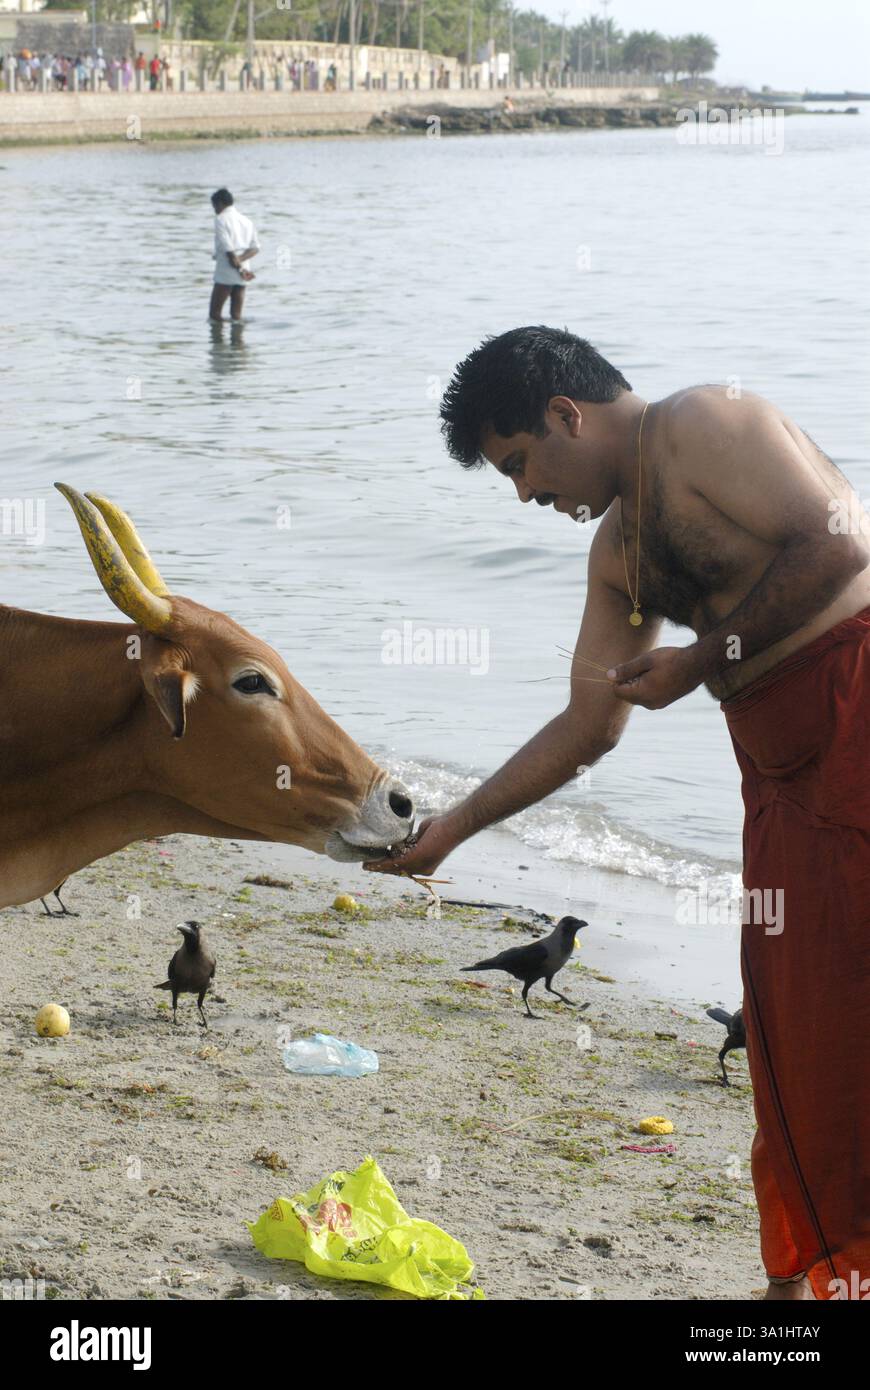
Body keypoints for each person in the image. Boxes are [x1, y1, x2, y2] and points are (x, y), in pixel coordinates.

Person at [367, 325, 870, 1302]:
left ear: (567, 415)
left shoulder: (706, 422)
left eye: (520, 464)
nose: (524, 494)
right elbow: (588, 725)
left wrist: (701, 661)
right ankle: (806, 1283)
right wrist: (456, 828)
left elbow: (842, 541)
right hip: (776, 785)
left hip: (858, 723)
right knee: (791, 1045)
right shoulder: (620, 551)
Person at [208, 188, 260, 323]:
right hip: (243, 270)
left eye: (214, 206)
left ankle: (218, 343)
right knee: (236, 316)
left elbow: (227, 246)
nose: (214, 210)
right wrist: (241, 261)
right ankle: (238, 343)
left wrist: (234, 259)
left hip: (226, 270)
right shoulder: (247, 221)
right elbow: (255, 248)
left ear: (219, 204)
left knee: (214, 314)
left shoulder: (220, 219)